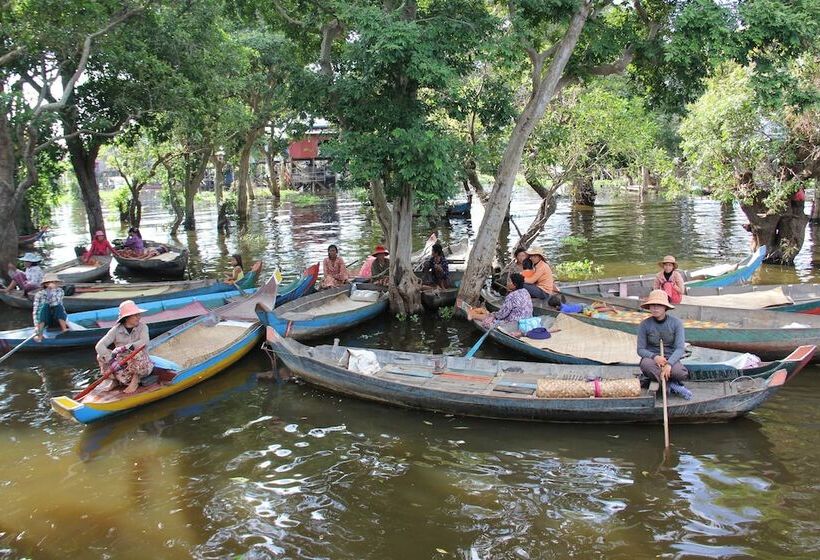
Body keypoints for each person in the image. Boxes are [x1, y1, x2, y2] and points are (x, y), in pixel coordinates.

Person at [636, 289, 693, 399]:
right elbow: (640, 350)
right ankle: (670, 385)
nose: (655, 308)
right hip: (652, 360)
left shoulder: (676, 323)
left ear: (665, 307)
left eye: (659, 305)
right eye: (652, 305)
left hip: (670, 358)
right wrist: (655, 357)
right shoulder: (644, 324)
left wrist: (669, 364)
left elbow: (680, 348)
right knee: (646, 365)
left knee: (680, 373)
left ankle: (661, 380)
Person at [95, 300, 153, 394]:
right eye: (135, 315)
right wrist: (111, 360)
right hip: (121, 367)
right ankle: (114, 380)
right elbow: (99, 345)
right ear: (126, 318)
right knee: (100, 355)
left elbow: (144, 342)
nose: (139, 317)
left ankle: (135, 381)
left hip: (142, 366)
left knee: (136, 352)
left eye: (138, 314)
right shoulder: (115, 330)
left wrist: (126, 347)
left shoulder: (143, 327)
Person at [468, 273, 533, 328]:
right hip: (526, 321)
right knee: (490, 314)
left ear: (514, 285)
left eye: (509, 281)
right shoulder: (525, 292)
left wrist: (493, 315)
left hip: (513, 324)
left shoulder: (511, 296)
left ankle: (472, 315)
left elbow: (502, 315)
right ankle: (478, 312)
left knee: (489, 317)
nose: (507, 283)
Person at [31, 273, 69, 342]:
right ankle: (40, 335)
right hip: (45, 321)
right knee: (44, 307)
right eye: (52, 282)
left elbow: (56, 303)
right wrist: (36, 326)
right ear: (46, 284)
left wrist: (51, 290)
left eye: (56, 282)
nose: (55, 284)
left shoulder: (60, 291)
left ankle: (64, 329)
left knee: (58, 307)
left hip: (56, 319)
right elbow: (36, 311)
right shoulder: (39, 294)